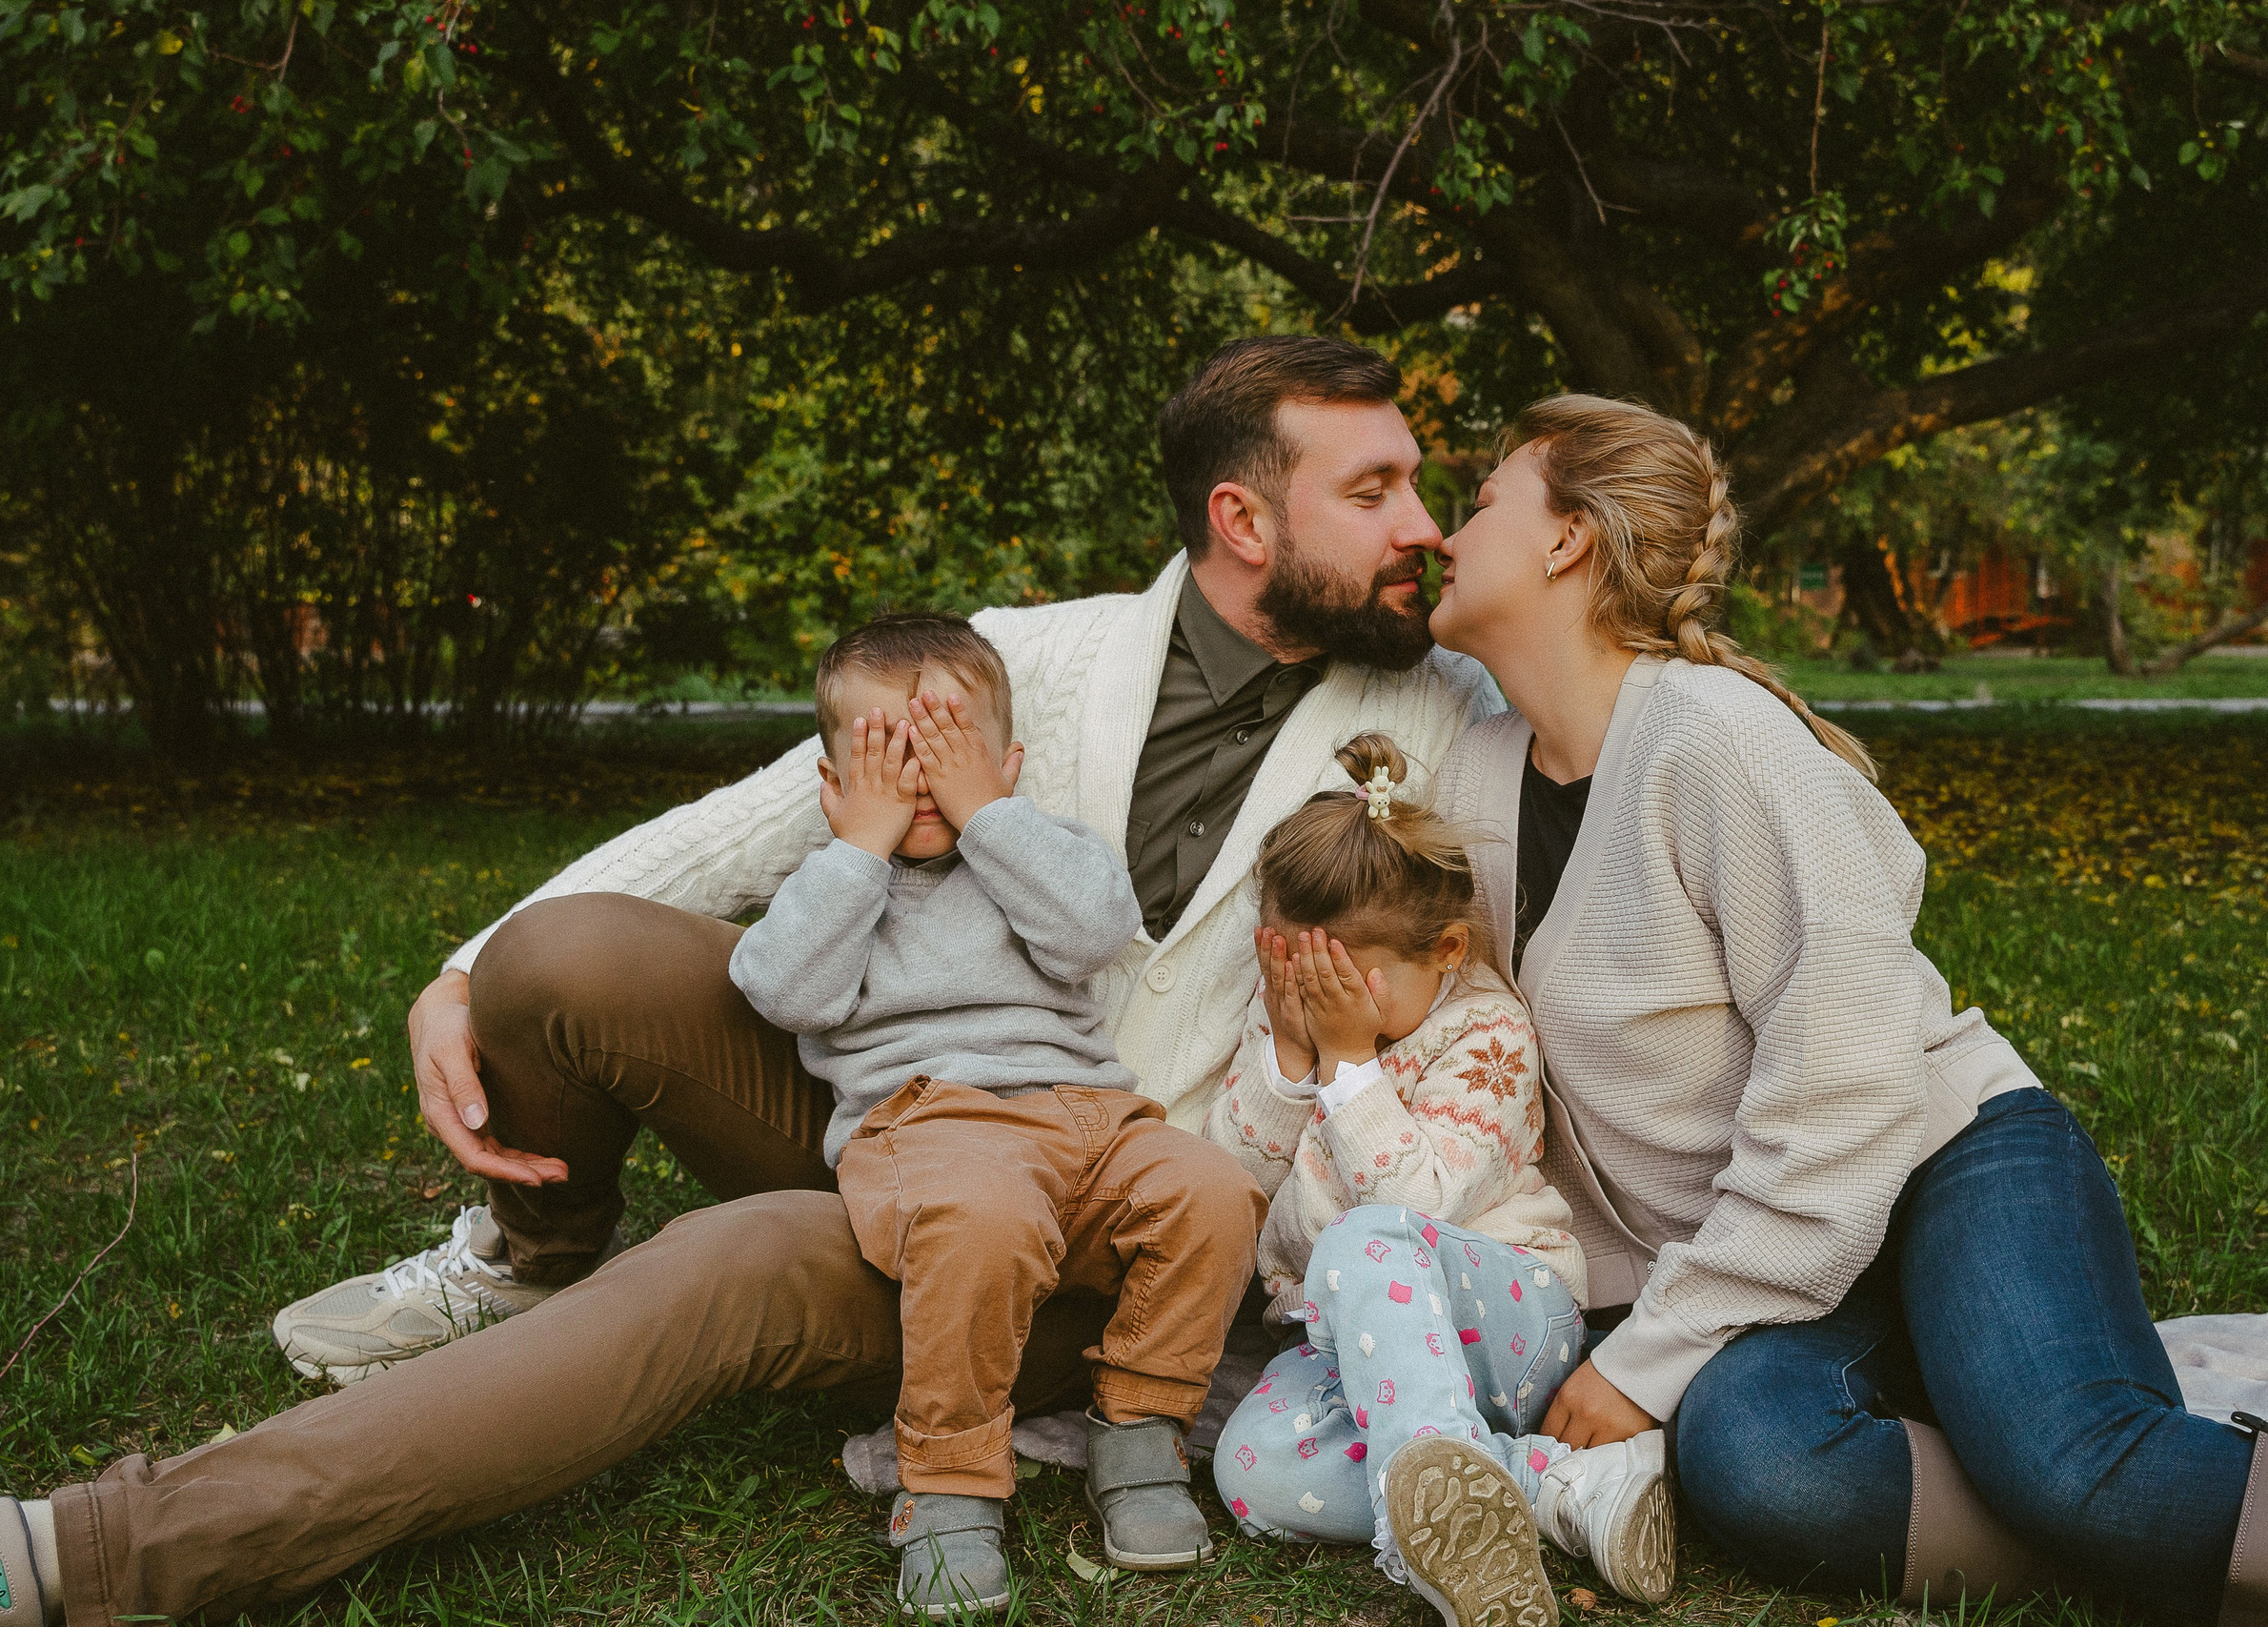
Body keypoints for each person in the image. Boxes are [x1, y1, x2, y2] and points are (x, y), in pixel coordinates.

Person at [0, 336, 1502, 1627]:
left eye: (1419, 486)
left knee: (714, 1271)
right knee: (562, 954)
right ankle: (532, 1248)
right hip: (915, 1110)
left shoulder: (1436, 712)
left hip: (1100, 1221)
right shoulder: (1028, 660)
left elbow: (1592, 766)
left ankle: (112, 1544)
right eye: (1375, 490)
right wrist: (457, 972)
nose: (1420, 523)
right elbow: (745, 828)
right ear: (1243, 516)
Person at [1419, 393, 2268, 1624]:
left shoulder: (1714, 742)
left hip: (1943, 1159)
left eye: (1480, 500)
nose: (1445, 530)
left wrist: (1647, 1354)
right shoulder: (1475, 771)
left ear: (1567, 538)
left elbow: (1848, 1091)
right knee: (1755, 1454)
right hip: (1796, 1259)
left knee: (2072, 1460)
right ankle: (2213, 1530)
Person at [727, 613, 1261, 1615]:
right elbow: (788, 990)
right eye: (889, 758)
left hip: (1092, 1117)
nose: (921, 783)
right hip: (930, 1127)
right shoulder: (834, 884)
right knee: (985, 1219)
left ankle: (1141, 1430)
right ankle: (949, 1480)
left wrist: (987, 816)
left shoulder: (1040, 850)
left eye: (946, 753)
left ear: (1004, 763)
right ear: (834, 786)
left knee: (1216, 1193)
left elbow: (1094, 931)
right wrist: (864, 848)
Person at [1203, 733, 1674, 1625]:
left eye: (1350, 979)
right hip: (1359, 1356)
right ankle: (1551, 1485)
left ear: (1447, 948)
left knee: (1360, 1238)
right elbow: (1230, 1195)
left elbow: (1411, 1207)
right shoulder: (1292, 1033)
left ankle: (1449, 1503)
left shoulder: (1485, 1031)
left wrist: (1348, 1065)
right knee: (1248, 1468)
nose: (1322, 996)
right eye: (1298, 973)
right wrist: (1291, 1058)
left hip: (1506, 1317)